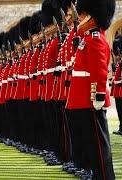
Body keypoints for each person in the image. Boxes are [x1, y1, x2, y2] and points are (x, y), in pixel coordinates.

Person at [66, 0, 116, 179]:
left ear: (92, 17)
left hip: (90, 100)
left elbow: (99, 71)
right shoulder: (86, 38)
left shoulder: (95, 39)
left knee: (99, 146)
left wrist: (98, 96)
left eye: (81, 14)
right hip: (82, 100)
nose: (79, 18)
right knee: (91, 144)